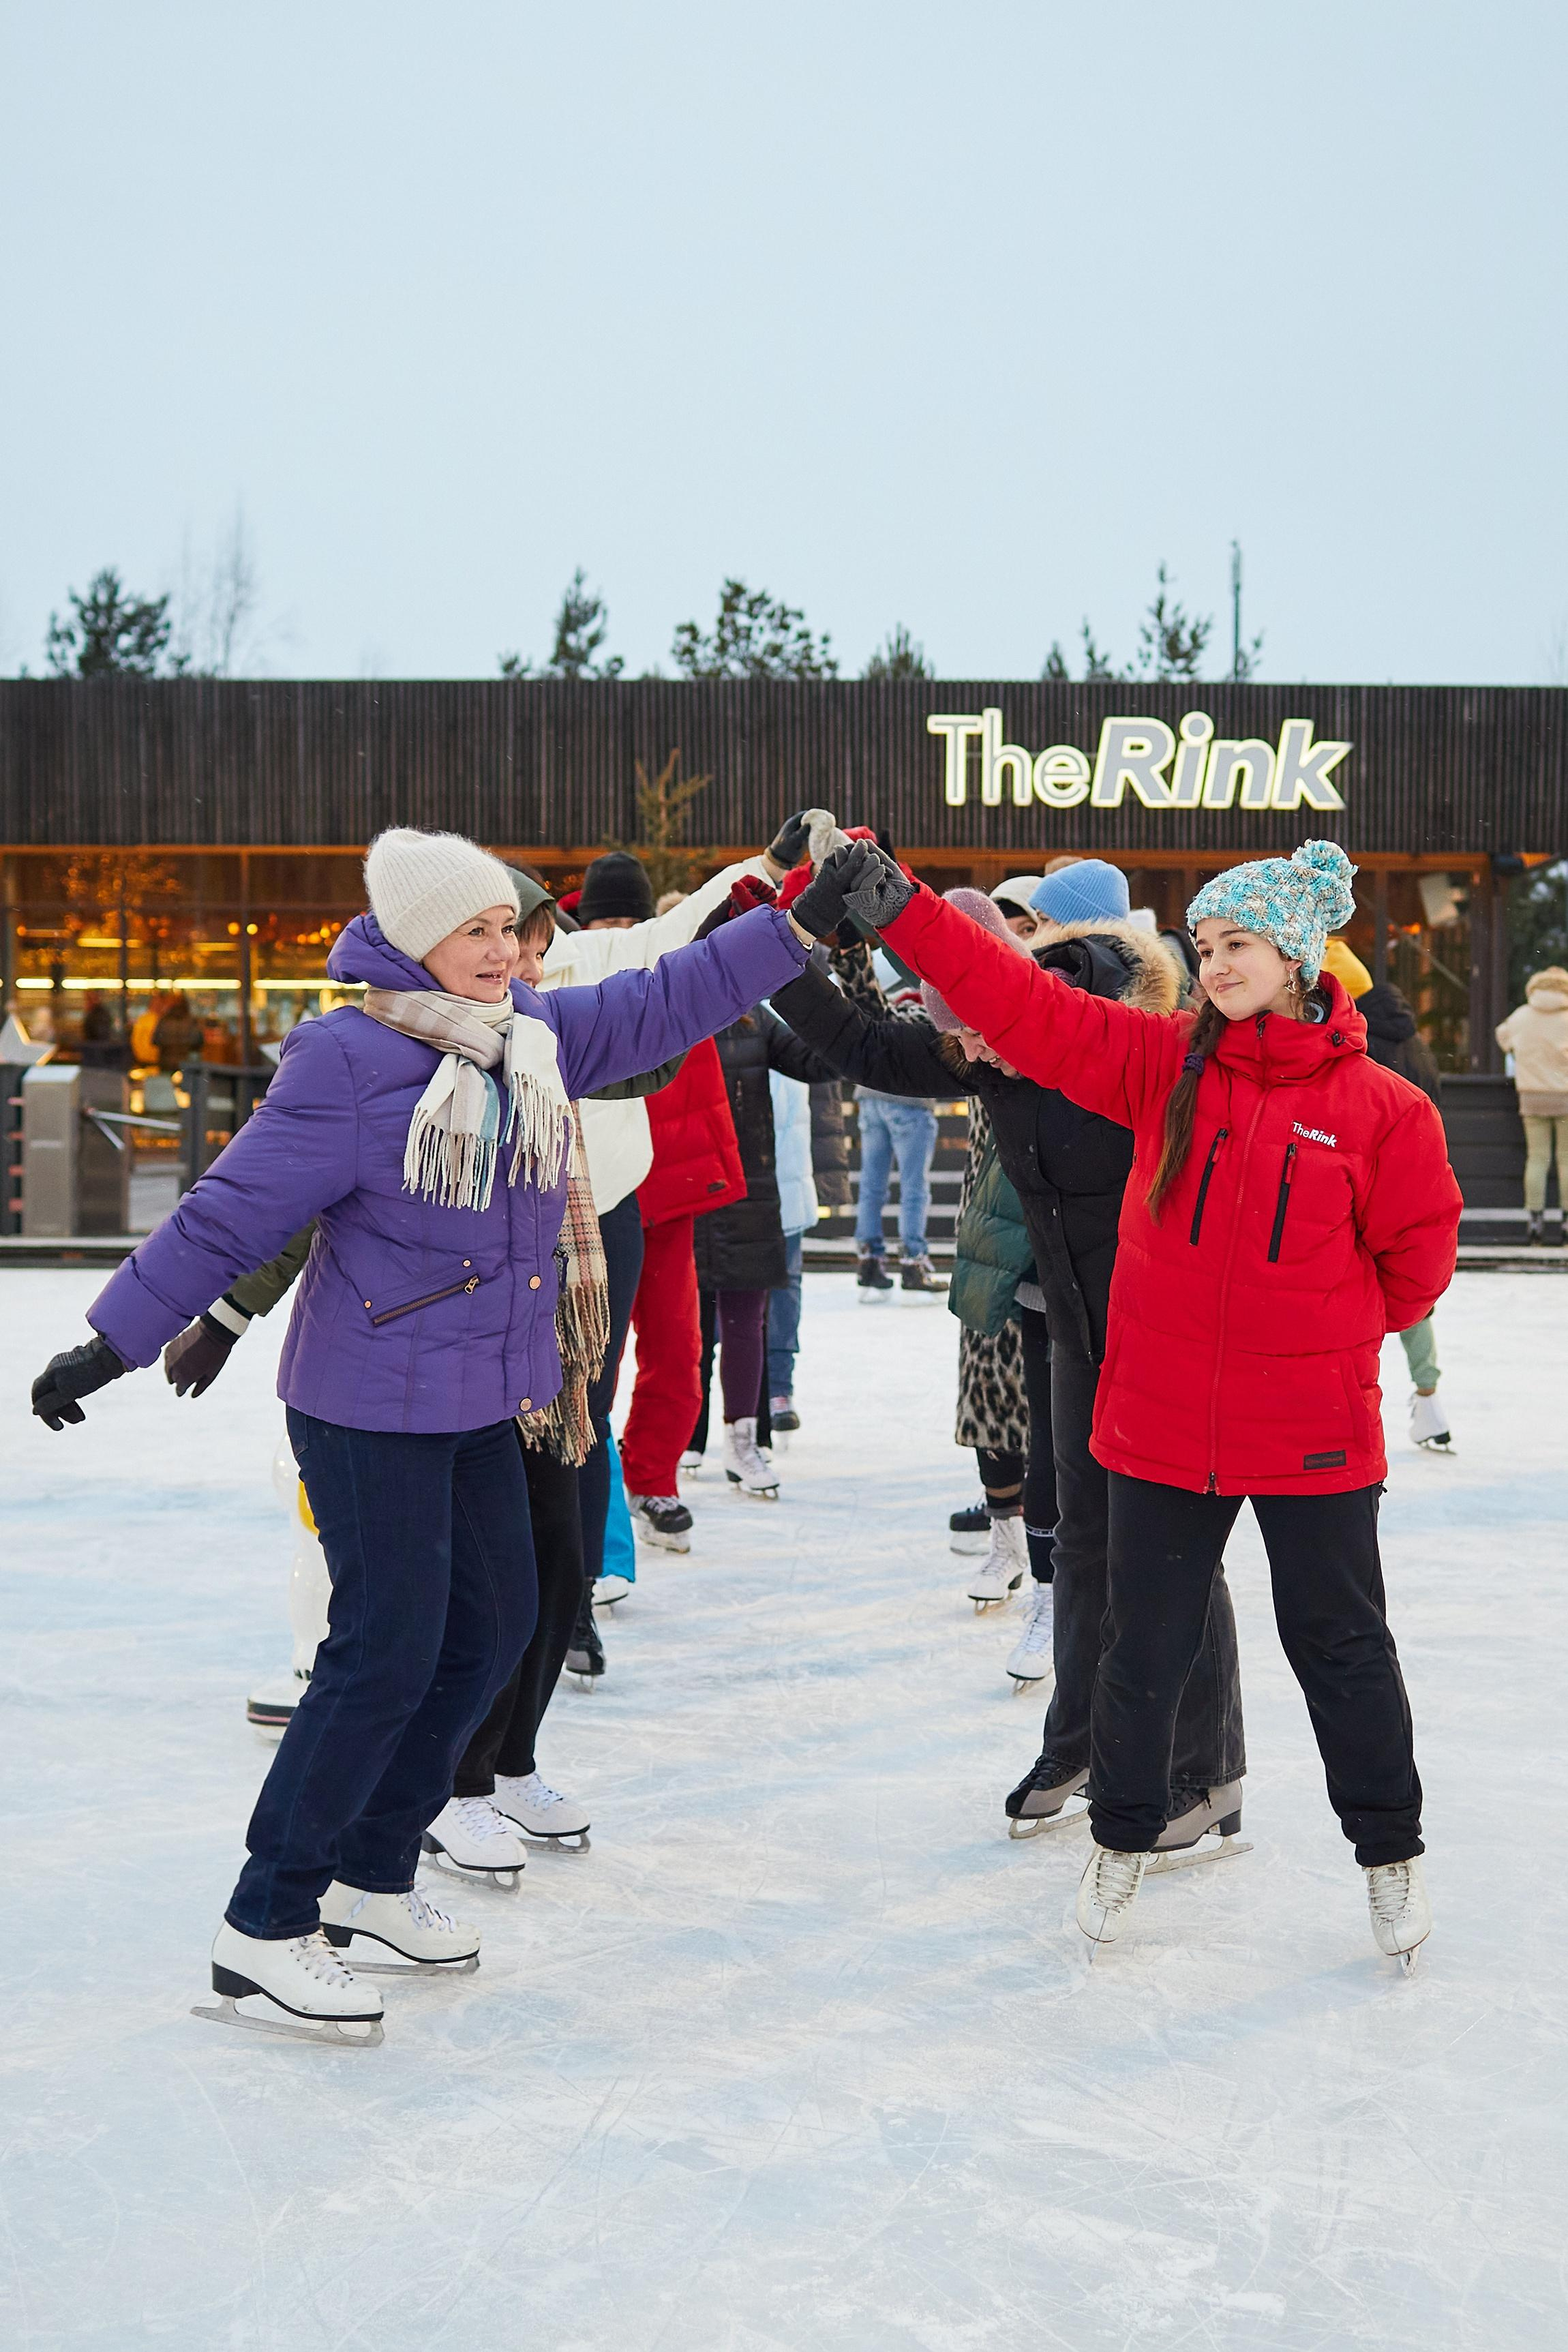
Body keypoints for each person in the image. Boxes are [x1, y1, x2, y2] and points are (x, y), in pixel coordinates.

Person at [31, 826, 813, 2045]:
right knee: (384, 1649)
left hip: (476, 1398)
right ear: (412, 942)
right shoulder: (344, 1062)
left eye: (510, 927)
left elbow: (672, 996)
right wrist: (115, 1339)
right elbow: (228, 1209)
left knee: (495, 1628)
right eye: (478, 931)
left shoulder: (536, 1043)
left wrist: (793, 930)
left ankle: (370, 1876)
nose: (505, 949)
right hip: (363, 1402)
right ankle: (266, 1923)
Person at [802, 834, 1461, 1965]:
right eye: (1202, 945)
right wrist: (897, 906)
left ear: (1296, 955)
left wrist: (1312, 1331)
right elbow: (1017, 1002)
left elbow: (1416, 1267)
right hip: (1159, 1418)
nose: (1212, 963)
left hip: (1311, 1431)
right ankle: (1120, 1840)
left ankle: (1390, 1860)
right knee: (1138, 1648)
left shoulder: (1381, 1108)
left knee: (1342, 1647)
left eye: (1237, 944)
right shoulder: (1161, 1065)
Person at [774, 884, 1243, 1824]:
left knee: (1170, 1550)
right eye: (961, 1042)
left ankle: (1207, 1770)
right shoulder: (987, 1047)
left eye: (982, 1034)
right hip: (1068, 1324)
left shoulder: (1110, 1036)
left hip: (1169, 1335)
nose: (972, 1058)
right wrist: (771, 939)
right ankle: (1075, 1742)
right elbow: (864, 1045)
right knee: (1078, 1541)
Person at [685, 999, 840, 1496]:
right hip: (681, 1185)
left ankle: (743, 1439)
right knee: (679, 1331)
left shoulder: (755, 1015)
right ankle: (678, 1438)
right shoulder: (668, 1005)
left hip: (748, 1185)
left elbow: (817, 1062)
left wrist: (823, 993)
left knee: (745, 1323)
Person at [1322, 938, 1455, 1450]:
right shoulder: (1414, 1038)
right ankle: (1429, 1396)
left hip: (1364, 1184)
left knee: (1356, 1297)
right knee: (1414, 1293)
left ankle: (1349, 1404)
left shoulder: (1359, 1045)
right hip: (1423, 1177)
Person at [1495, 964, 1568, 1245]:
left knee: (1537, 1158)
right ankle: (1565, 1221)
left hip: (1532, 1095)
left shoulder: (1522, 1016)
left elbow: (1502, 1038)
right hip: (1565, 1097)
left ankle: (1535, 1221)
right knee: (1565, 1160)